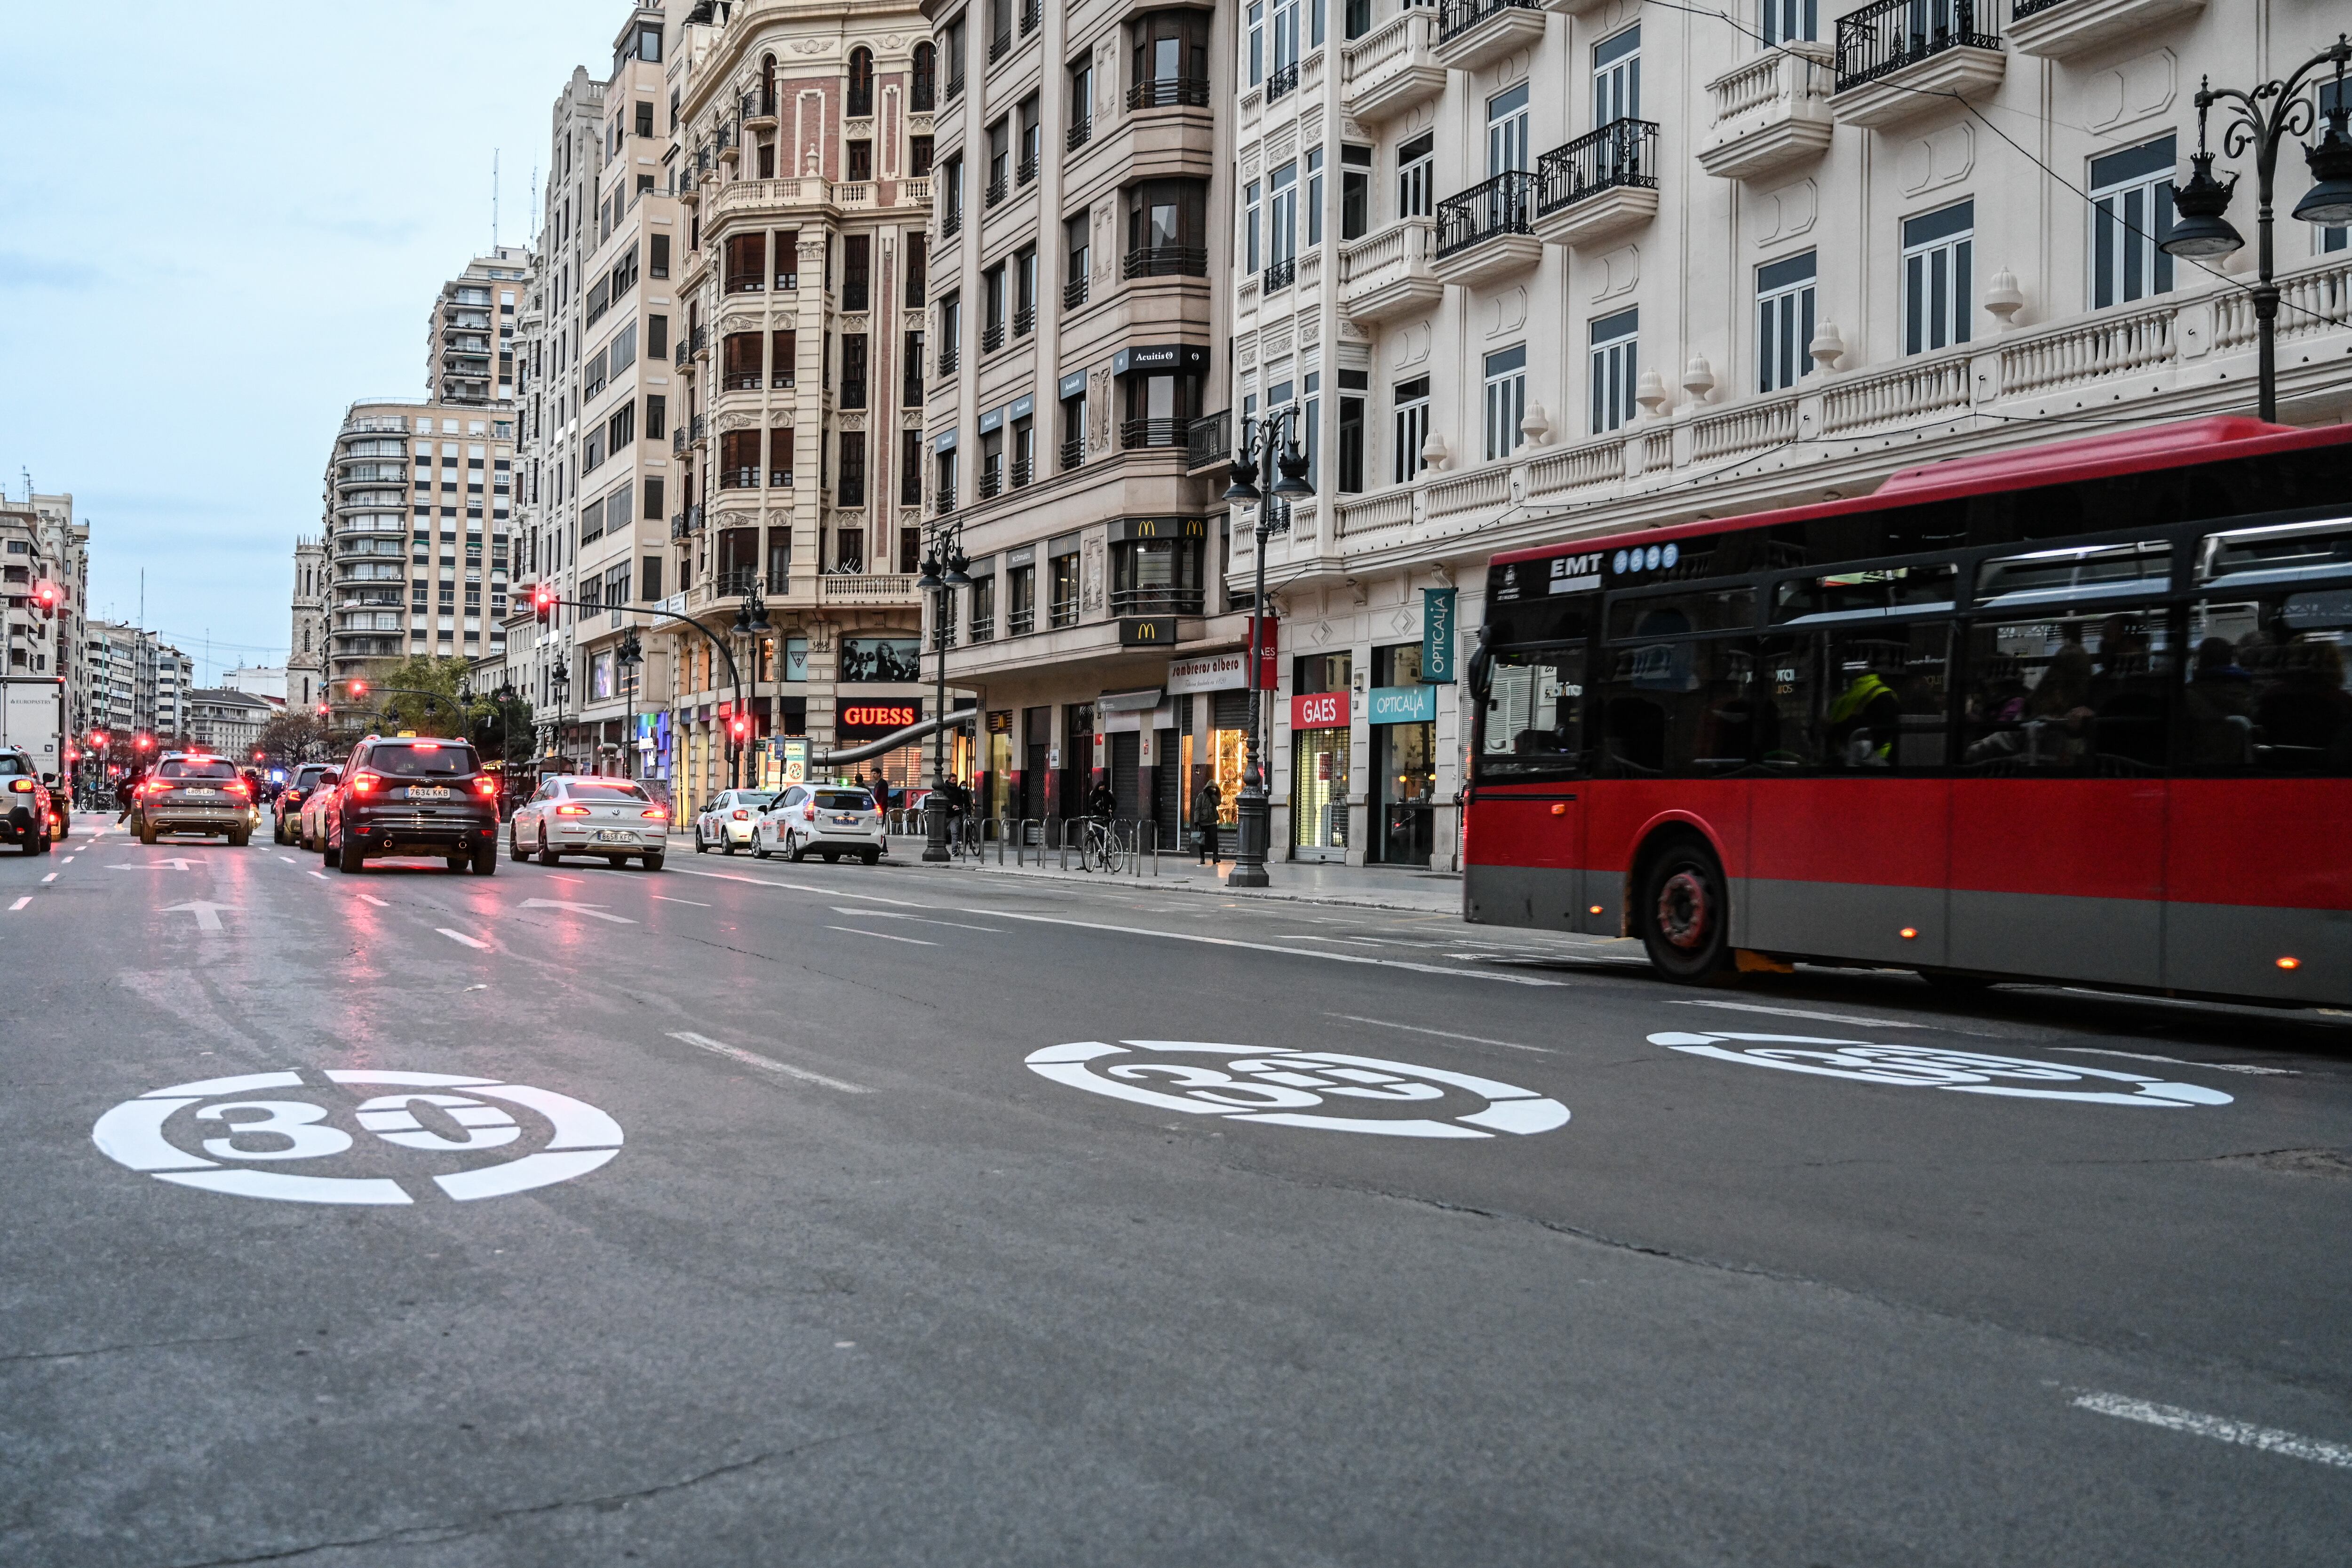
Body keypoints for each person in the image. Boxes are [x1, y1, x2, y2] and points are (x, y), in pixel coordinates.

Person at [1192, 774, 1223, 865]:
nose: (1213, 790)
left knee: (1214, 839)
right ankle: (1202, 858)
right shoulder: (1201, 796)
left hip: (1212, 821)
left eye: (1214, 788)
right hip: (1203, 822)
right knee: (1202, 840)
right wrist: (1196, 821)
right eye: (1211, 788)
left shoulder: (1214, 797)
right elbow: (1197, 808)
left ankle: (1215, 856)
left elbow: (1218, 803)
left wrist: (1213, 796)